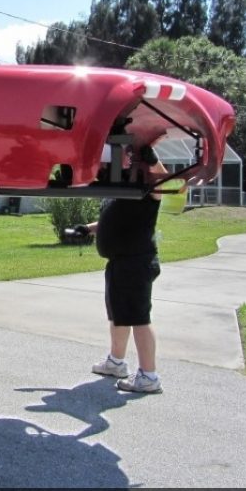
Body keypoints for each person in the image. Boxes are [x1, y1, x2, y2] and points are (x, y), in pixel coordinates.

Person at [83, 143, 168, 394]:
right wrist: (86, 229)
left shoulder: (144, 188)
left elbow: (163, 184)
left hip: (136, 261)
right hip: (119, 262)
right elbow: (109, 221)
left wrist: (151, 158)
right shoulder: (117, 191)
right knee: (119, 315)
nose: (104, 169)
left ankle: (149, 376)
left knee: (139, 318)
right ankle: (116, 363)